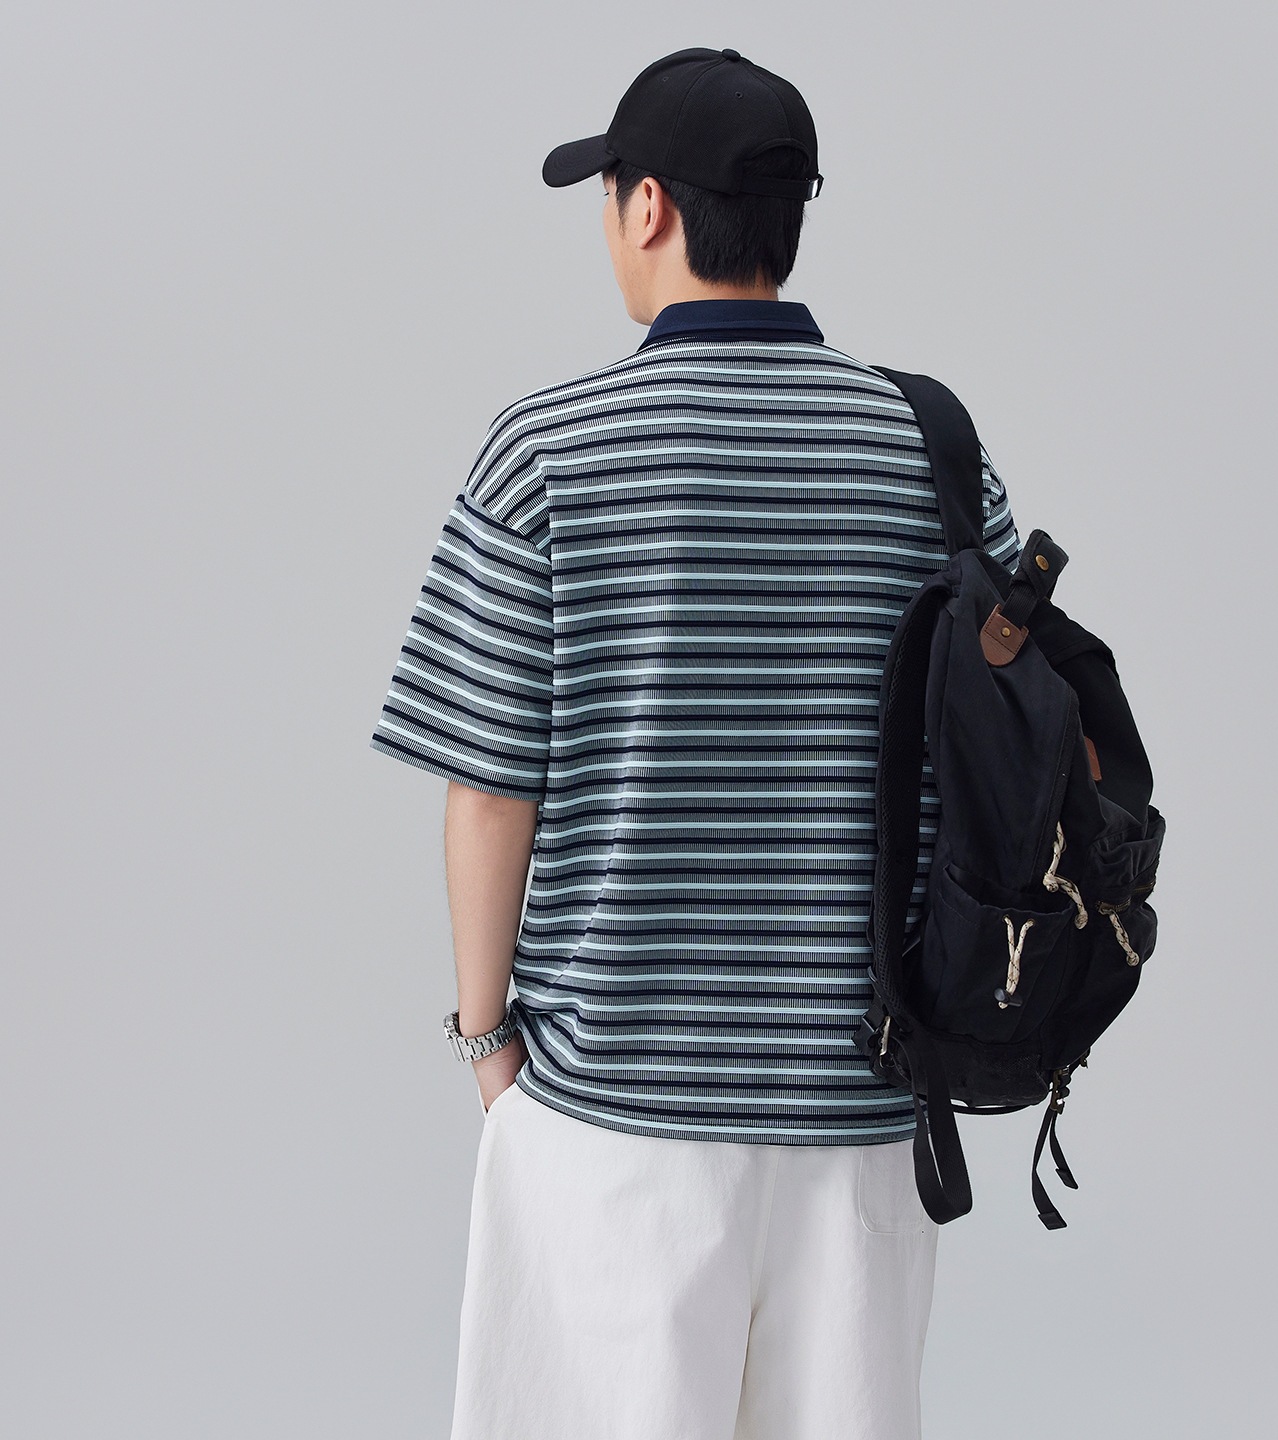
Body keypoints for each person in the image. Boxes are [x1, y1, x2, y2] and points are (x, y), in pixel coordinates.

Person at [370, 45, 1021, 1440]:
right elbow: (1007, 753)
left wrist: (488, 1045)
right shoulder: (935, 453)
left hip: (611, 1110)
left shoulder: (547, 450)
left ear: (650, 205)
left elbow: (489, 789)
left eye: (608, 195)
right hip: (868, 1110)